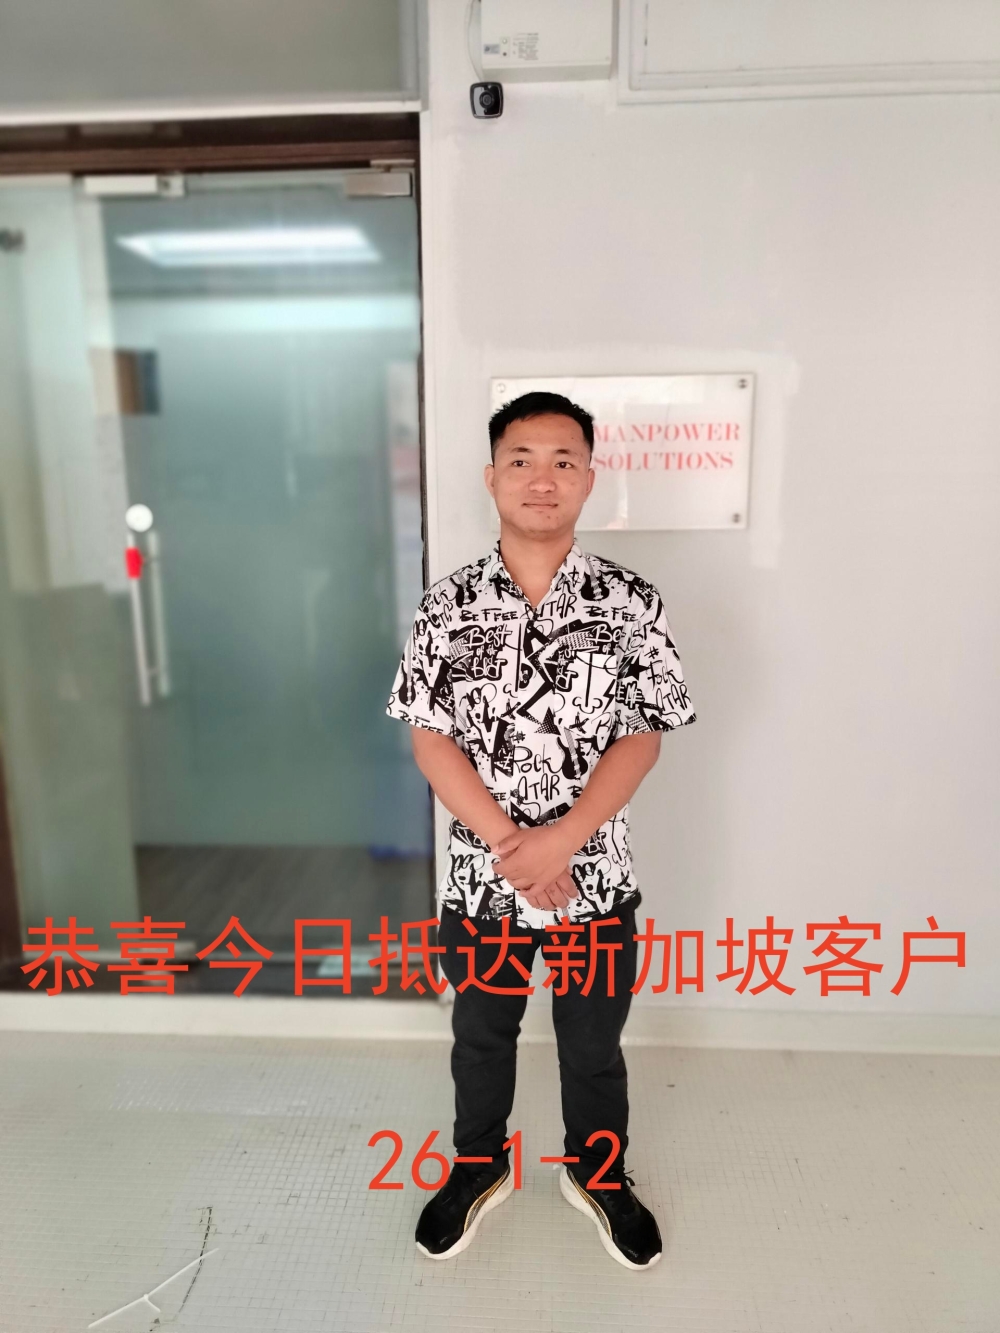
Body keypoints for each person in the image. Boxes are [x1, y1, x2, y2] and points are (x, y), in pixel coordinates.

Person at [385, 390, 696, 1270]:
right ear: (492, 477)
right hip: (481, 882)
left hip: (596, 878)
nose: (542, 478)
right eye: (521, 459)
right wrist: (512, 847)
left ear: (589, 479)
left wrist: (565, 838)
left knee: (593, 1044)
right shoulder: (447, 605)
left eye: (564, 460)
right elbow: (430, 737)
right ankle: (478, 1167)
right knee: (481, 1035)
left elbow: (644, 733)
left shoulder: (630, 601)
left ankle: (597, 1175)